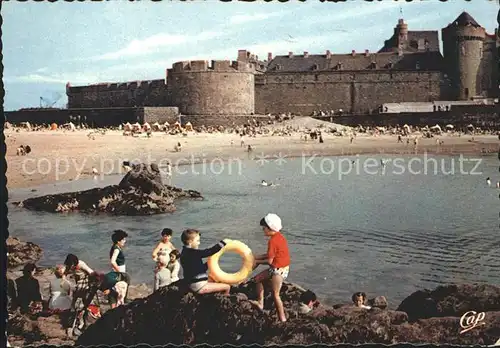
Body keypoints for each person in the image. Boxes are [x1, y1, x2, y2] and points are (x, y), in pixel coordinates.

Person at [251, 213, 291, 322]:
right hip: (280, 268)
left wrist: (257, 261)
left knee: (275, 295)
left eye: (264, 228)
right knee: (257, 280)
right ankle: (260, 303)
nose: (263, 230)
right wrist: (256, 257)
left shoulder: (273, 241)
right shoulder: (280, 237)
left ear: (270, 228)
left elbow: (269, 261)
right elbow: (270, 255)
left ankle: (282, 318)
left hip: (278, 271)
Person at [179, 229, 231, 295]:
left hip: (192, 284)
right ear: (190, 242)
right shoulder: (193, 253)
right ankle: (225, 301)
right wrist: (223, 243)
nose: (199, 243)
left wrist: (209, 263)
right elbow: (209, 251)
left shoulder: (184, 253)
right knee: (227, 287)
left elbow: (198, 269)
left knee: (214, 279)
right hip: (199, 286)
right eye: (197, 241)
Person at [109, 230, 131, 306]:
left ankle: (122, 299)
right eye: (123, 240)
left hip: (117, 270)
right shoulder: (116, 249)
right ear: (118, 241)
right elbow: (112, 261)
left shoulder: (115, 247)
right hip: (119, 270)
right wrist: (119, 272)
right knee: (122, 285)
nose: (125, 241)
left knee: (121, 284)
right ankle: (121, 301)